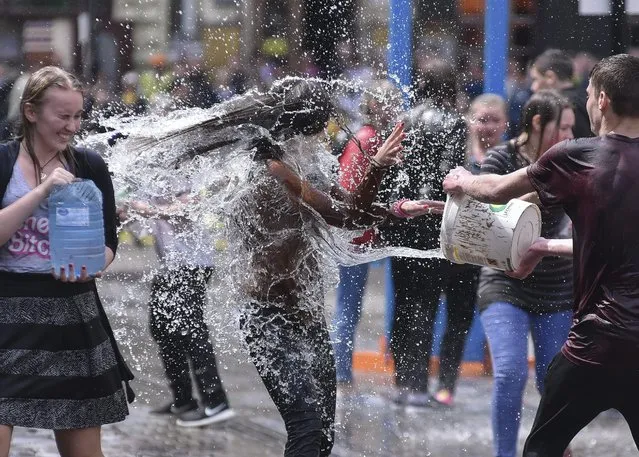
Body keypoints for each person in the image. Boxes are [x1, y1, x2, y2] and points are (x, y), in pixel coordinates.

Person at [117, 79, 442, 457]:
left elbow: (352, 213)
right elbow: (340, 215)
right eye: (321, 133)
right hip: (267, 319)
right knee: (305, 425)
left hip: (307, 315)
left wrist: (397, 210)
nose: (325, 142)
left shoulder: (302, 168)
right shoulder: (274, 171)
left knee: (322, 434)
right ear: (302, 130)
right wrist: (376, 168)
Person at [443, 53, 639, 457]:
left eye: (587, 94)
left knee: (541, 449)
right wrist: (544, 245)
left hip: (595, 343)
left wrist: (462, 178)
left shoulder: (577, 156)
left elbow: (495, 191)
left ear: (601, 100)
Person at [0, 66, 134, 457]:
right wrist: (41, 191)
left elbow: (109, 242)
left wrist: (93, 263)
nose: (72, 126)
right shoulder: (3, 162)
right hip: (7, 312)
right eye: (63, 116)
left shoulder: (89, 165)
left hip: (72, 313)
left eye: (78, 116)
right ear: (31, 112)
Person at [476, 90, 575, 457]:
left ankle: (553, 449)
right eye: (562, 128)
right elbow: (491, 213)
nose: (568, 135)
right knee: (510, 374)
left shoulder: (570, 159)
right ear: (537, 124)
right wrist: (545, 189)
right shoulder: (502, 158)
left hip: (557, 285)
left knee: (555, 384)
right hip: (505, 280)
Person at [377, 59, 467, 408]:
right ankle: (419, 386)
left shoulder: (406, 119)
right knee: (426, 305)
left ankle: (404, 381)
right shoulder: (454, 123)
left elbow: (396, 170)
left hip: (404, 223)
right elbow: (452, 176)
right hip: (434, 226)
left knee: (403, 302)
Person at [121, 190, 234, 427]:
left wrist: (145, 209)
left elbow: (189, 205)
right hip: (170, 264)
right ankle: (183, 399)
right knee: (162, 328)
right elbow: (142, 223)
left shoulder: (185, 165)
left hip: (193, 264)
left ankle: (216, 402)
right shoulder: (154, 172)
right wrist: (125, 214)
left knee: (192, 331)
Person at [433, 93, 509, 407]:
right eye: (482, 118)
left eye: (494, 120)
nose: (488, 126)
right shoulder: (456, 153)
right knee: (441, 314)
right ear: (469, 120)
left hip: (491, 253)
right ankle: (433, 385)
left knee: (472, 318)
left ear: (505, 124)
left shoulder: (509, 159)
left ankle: (472, 381)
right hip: (453, 248)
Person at [331, 79, 401, 390]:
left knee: (350, 304)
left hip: (356, 236)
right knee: (348, 305)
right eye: (386, 101)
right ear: (372, 105)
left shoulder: (370, 137)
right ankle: (340, 370)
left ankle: (341, 368)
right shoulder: (368, 139)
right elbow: (349, 188)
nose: (393, 107)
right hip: (354, 239)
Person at [529, 49, 593, 139]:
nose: (533, 87)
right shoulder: (586, 98)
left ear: (550, 77)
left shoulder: (563, 106)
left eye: (535, 79)